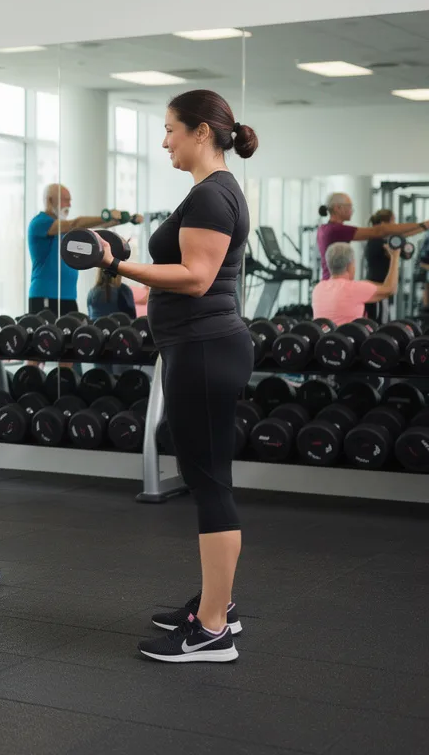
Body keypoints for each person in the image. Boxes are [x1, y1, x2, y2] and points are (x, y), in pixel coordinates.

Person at [95, 89, 257, 663]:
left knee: (209, 483)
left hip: (207, 350)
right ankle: (219, 605)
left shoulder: (213, 196)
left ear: (202, 133)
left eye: (170, 130)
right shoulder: (210, 192)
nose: (164, 141)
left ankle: (212, 631)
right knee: (205, 477)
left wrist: (116, 263)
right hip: (200, 349)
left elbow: (195, 277)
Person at [28, 185, 131, 316]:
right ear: (49, 200)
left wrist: (120, 220)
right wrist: (106, 216)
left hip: (69, 295)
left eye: (70, 200)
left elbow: (90, 230)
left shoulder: (64, 229)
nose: (69, 205)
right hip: (45, 295)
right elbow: (75, 223)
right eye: (66, 199)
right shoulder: (40, 223)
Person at [315, 193, 426, 281]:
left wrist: (423, 227)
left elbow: (388, 234)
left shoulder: (325, 228)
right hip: (335, 284)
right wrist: (423, 225)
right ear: (338, 208)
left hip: (331, 283)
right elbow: (380, 231)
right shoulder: (336, 230)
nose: (352, 210)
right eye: (349, 206)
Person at [313, 242, 400, 327]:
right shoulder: (354, 288)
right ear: (350, 265)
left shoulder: (318, 288)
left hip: (322, 340)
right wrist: (395, 256)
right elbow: (391, 289)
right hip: (348, 340)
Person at [361, 209, 397, 322]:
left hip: (376, 287)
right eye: (393, 222)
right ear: (383, 224)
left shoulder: (374, 240)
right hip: (380, 288)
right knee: (381, 325)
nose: (395, 225)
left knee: (375, 322)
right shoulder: (379, 242)